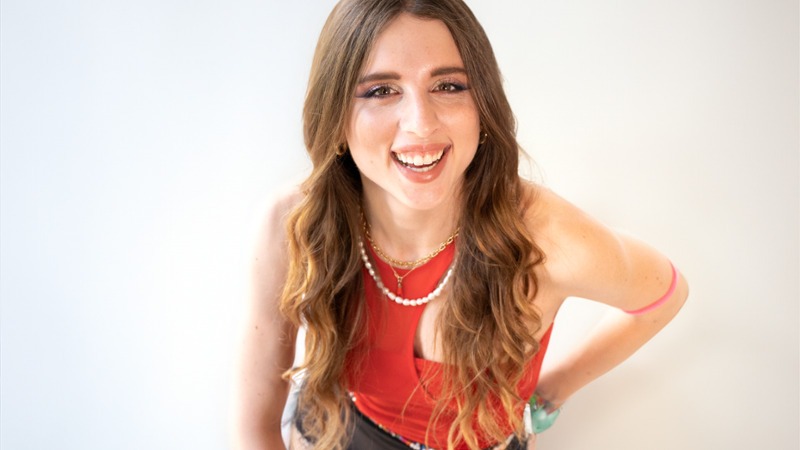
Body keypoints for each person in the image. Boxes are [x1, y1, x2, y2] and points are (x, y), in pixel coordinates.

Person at [234, 0, 689, 449]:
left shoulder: (544, 237)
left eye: (448, 86)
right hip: (336, 431)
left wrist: (554, 389)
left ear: (482, 104)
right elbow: (256, 427)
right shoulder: (294, 222)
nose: (420, 124)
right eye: (380, 91)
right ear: (335, 116)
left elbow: (666, 294)